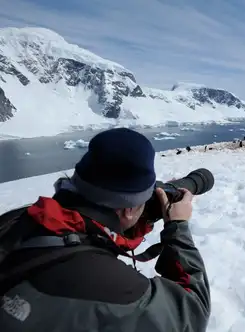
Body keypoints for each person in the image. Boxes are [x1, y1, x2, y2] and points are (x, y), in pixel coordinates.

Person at [0, 128, 211, 332]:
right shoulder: (116, 288)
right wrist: (177, 226)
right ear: (128, 210)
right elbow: (191, 314)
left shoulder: (15, 220)